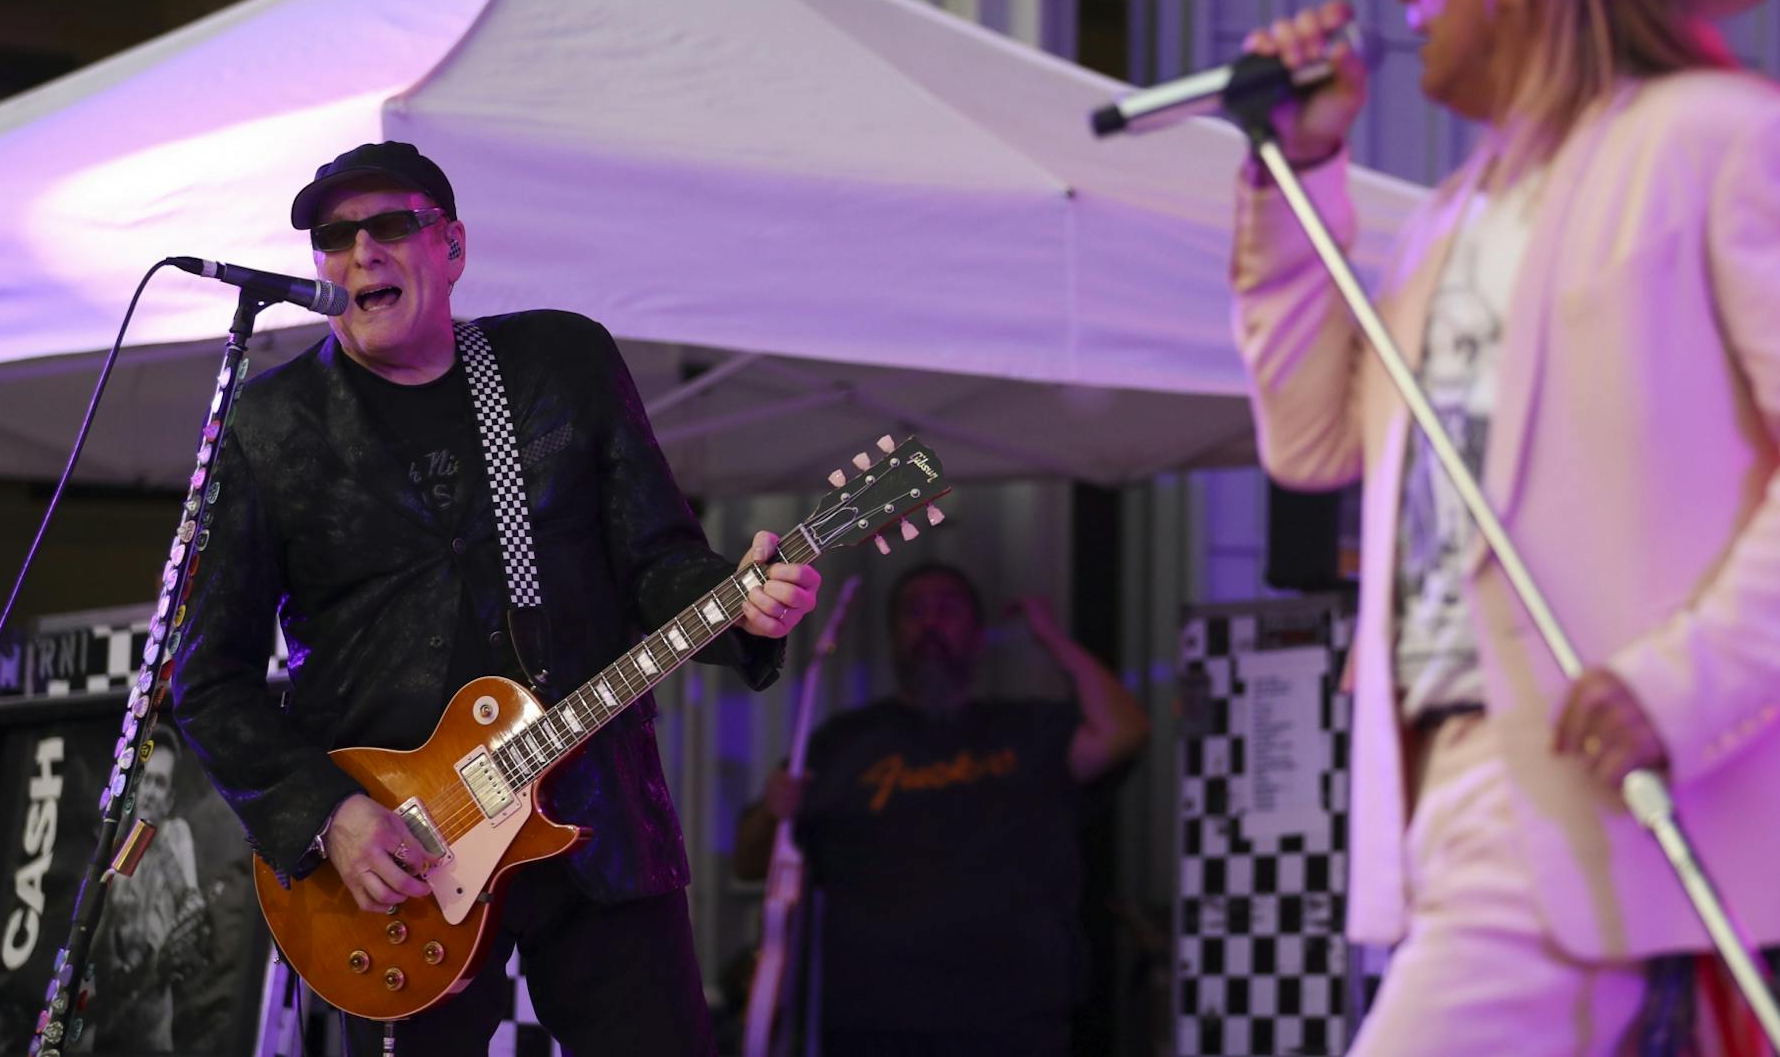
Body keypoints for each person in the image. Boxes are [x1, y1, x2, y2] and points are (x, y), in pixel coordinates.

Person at [1230, 0, 1780, 1052]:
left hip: (1578, 764)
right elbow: (1312, 441)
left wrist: (1685, 679)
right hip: (1441, 779)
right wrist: (1300, 169)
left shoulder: (1720, 139)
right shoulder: (1450, 218)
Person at [172, 140, 821, 1056]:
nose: (362, 252)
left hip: (594, 814)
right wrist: (329, 815)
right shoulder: (270, 425)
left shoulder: (559, 363)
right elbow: (208, 681)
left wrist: (741, 599)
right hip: (401, 862)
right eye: (335, 237)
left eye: (389, 225)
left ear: (453, 246)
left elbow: (655, 559)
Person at [733, 560, 1150, 1057]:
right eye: (914, 612)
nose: (930, 623)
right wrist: (772, 810)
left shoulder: (1029, 730)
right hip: (867, 1024)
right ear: (892, 635)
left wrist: (1051, 638)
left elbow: (1124, 732)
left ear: (978, 635)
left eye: (947, 610)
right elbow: (749, 862)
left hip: (1014, 1022)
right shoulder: (839, 743)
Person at [96, 738, 209, 1051]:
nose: (149, 792)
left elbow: (192, 903)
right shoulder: (117, 846)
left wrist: (158, 963)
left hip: (153, 1028)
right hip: (110, 1021)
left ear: (169, 799)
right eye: (145, 779)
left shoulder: (174, 835)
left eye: (159, 783)